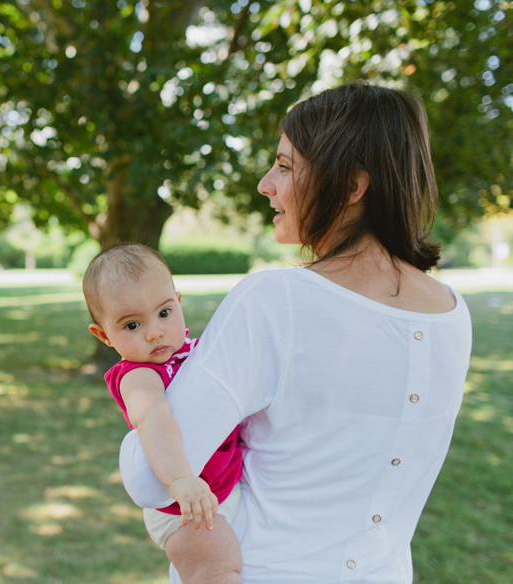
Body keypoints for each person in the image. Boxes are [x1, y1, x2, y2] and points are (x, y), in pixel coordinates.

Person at [119, 82, 473, 584]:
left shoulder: (274, 301)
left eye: (285, 167)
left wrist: (142, 396)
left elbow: (149, 479)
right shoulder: (451, 314)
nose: (266, 183)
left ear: (352, 187)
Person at [83, 244, 243, 583]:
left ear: (179, 303)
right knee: (216, 568)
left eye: (164, 313)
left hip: (227, 485)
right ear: (103, 335)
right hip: (183, 506)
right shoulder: (138, 377)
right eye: (131, 325)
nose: (154, 331)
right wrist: (180, 480)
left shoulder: (198, 351)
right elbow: (154, 419)